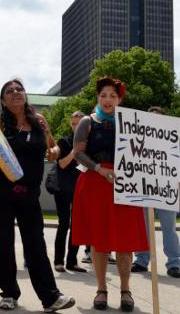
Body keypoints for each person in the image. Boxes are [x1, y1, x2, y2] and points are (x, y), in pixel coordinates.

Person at [0, 79, 75, 313]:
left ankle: (50, 298)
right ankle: (9, 294)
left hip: (29, 195)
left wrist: (53, 150)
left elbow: (53, 150)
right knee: (3, 243)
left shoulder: (39, 122)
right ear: (3, 100)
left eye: (19, 90)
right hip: (1, 193)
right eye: (9, 91)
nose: (15, 93)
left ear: (25, 95)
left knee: (36, 244)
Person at [72, 77, 149, 312]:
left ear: (120, 99)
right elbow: (78, 153)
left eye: (112, 96)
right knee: (99, 241)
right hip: (95, 184)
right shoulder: (87, 122)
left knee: (125, 242)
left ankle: (126, 290)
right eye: (103, 95)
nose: (108, 100)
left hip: (126, 185)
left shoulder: (131, 123)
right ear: (97, 97)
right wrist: (99, 168)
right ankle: (101, 289)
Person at [131, 106, 180, 279]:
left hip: (166, 190)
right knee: (143, 228)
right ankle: (141, 260)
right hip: (144, 189)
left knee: (169, 228)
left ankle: (175, 263)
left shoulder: (173, 140)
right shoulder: (137, 139)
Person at [51, 111, 87, 273]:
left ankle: (72, 261)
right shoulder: (65, 141)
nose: (75, 127)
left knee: (78, 225)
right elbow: (62, 164)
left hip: (81, 188)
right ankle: (59, 261)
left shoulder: (90, 143)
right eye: (73, 124)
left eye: (78, 124)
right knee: (64, 223)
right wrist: (74, 150)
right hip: (63, 188)